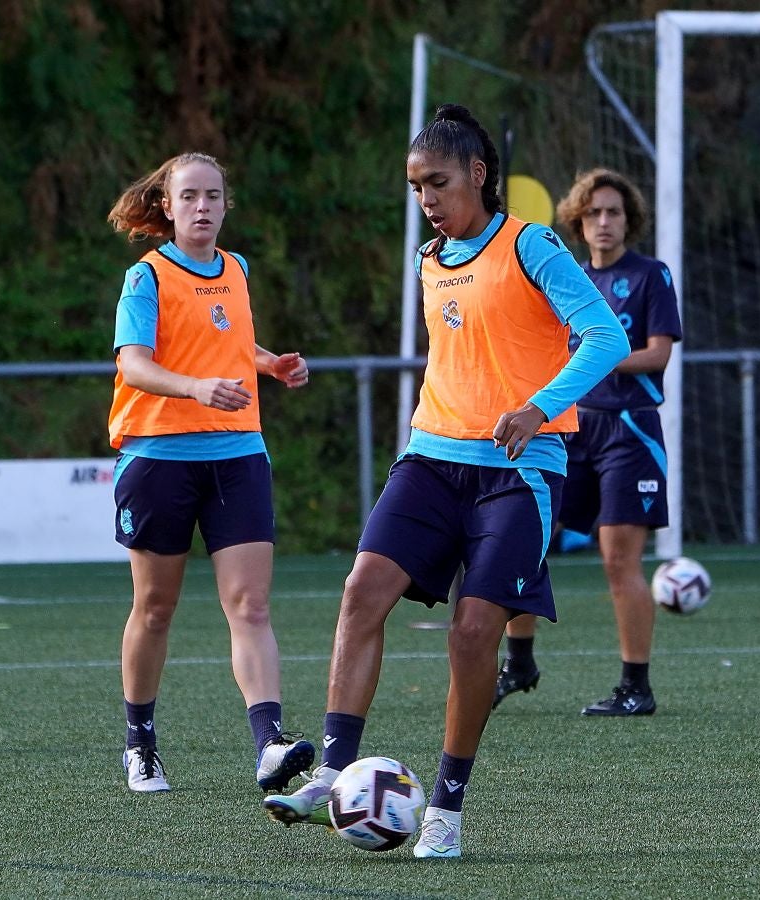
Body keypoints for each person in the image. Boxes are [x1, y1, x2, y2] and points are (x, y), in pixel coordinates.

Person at [262, 105, 629, 858]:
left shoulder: (532, 246)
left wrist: (537, 408)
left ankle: (446, 811)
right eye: (414, 187)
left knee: (470, 632)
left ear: (477, 175)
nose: (425, 197)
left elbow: (606, 336)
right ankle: (334, 770)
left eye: (436, 181)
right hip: (430, 459)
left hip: (519, 472)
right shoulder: (431, 258)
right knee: (362, 592)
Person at [105, 152, 314, 794]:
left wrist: (267, 364)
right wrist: (196, 387)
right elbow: (135, 365)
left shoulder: (238, 269)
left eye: (213, 196)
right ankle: (140, 742)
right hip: (159, 458)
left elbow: (228, 345)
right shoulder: (146, 279)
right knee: (157, 608)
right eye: (190, 196)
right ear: (167, 207)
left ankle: (269, 746)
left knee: (250, 605)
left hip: (238, 454)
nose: (203, 207)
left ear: (226, 205)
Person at [494, 168, 682, 716]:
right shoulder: (568, 277)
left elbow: (657, 354)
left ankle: (636, 687)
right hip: (569, 427)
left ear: (629, 221)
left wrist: (598, 353)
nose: (604, 222)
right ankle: (519, 661)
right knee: (524, 539)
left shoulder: (651, 276)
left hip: (630, 430)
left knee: (617, 559)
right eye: (594, 212)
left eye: (614, 212)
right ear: (578, 220)